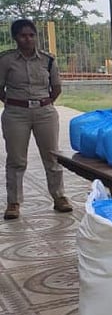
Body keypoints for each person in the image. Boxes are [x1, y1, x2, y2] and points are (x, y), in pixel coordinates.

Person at [0, 19, 72, 220]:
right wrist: (12, 102)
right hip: (16, 114)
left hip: (44, 113)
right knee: (16, 160)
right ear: (15, 37)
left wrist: (46, 102)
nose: (28, 39)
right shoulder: (6, 60)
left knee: (52, 156)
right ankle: (14, 203)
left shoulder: (48, 60)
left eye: (31, 35)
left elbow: (56, 87)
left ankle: (59, 198)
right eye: (23, 35)